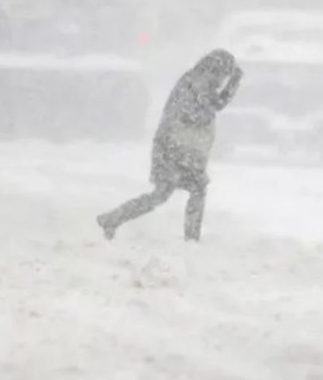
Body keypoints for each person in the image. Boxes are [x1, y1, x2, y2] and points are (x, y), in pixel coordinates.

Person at [97, 49, 243, 241]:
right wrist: (233, 85)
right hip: (176, 149)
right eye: (224, 75)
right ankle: (191, 238)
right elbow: (207, 110)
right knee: (188, 190)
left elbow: (212, 105)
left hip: (177, 148)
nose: (222, 80)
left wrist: (232, 85)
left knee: (166, 193)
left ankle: (113, 218)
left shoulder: (196, 81)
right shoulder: (197, 83)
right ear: (215, 70)